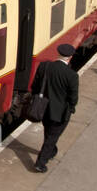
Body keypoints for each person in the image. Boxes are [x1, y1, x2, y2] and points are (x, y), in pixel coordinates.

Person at [30, 43, 80, 172]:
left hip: (43, 108)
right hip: (60, 112)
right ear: (70, 57)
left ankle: (52, 151)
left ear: (58, 54)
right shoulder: (72, 75)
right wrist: (72, 107)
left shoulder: (44, 66)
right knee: (52, 136)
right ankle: (40, 163)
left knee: (49, 133)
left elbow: (35, 86)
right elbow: (73, 96)